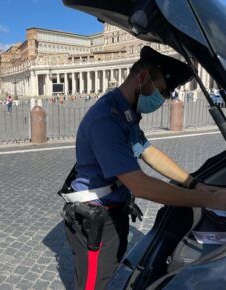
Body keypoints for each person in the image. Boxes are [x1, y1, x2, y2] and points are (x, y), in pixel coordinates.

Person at [60, 46, 226, 290]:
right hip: (94, 218)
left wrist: (194, 183)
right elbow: (140, 185)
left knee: (112, 274)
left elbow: (149, 153)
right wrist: (207, 200)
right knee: (94, 285)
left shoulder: (125, 112)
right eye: (161, 91)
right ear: (143, 78)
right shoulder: (107, 119)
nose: (162, 100)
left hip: (113, 211)